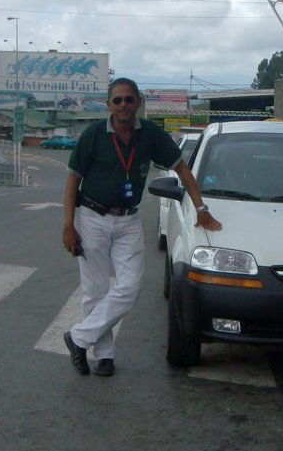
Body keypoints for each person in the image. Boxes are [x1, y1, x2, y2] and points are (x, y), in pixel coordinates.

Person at [61, 78, 221, 376]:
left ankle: (79, 338)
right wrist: (68, 225)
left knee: (130, 287)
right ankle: (104, 355)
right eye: (117, 100)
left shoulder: (150, 135)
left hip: (128, 219)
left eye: (129, 99)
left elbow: (181, 169)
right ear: (109, 105)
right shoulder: (94, 135)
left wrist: (201, 208)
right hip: (92, 217)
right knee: (94, 290)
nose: (123, 105)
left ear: (138, 102)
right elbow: (72, 180)